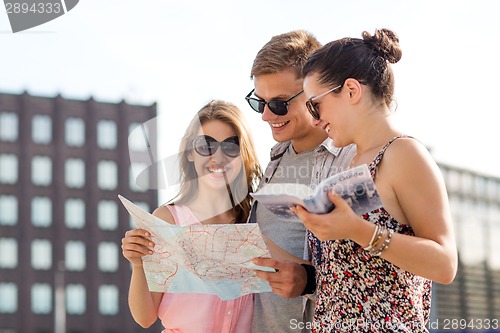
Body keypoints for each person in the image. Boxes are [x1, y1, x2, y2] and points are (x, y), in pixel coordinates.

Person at [292, 28, 458, 332]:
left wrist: (357, 230)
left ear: (352, 90)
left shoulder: (404, 154)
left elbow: (445, 264)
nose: (314, 119)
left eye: (315, 104)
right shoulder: (351, 163)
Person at [246, 31, 356, 333]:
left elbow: (372, 273)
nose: (267, 116)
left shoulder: (351, 161)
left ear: (313, 91)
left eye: (280, 104)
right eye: (260, 102)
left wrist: (310, 280)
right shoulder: (276, 158)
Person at [121, 100, 262, 333]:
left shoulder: (255, 219)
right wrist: (138, 265)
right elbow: (144, 317)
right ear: (189, 153)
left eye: (230, 146)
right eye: (205, 145)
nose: (217, 156)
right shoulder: (168, 220)